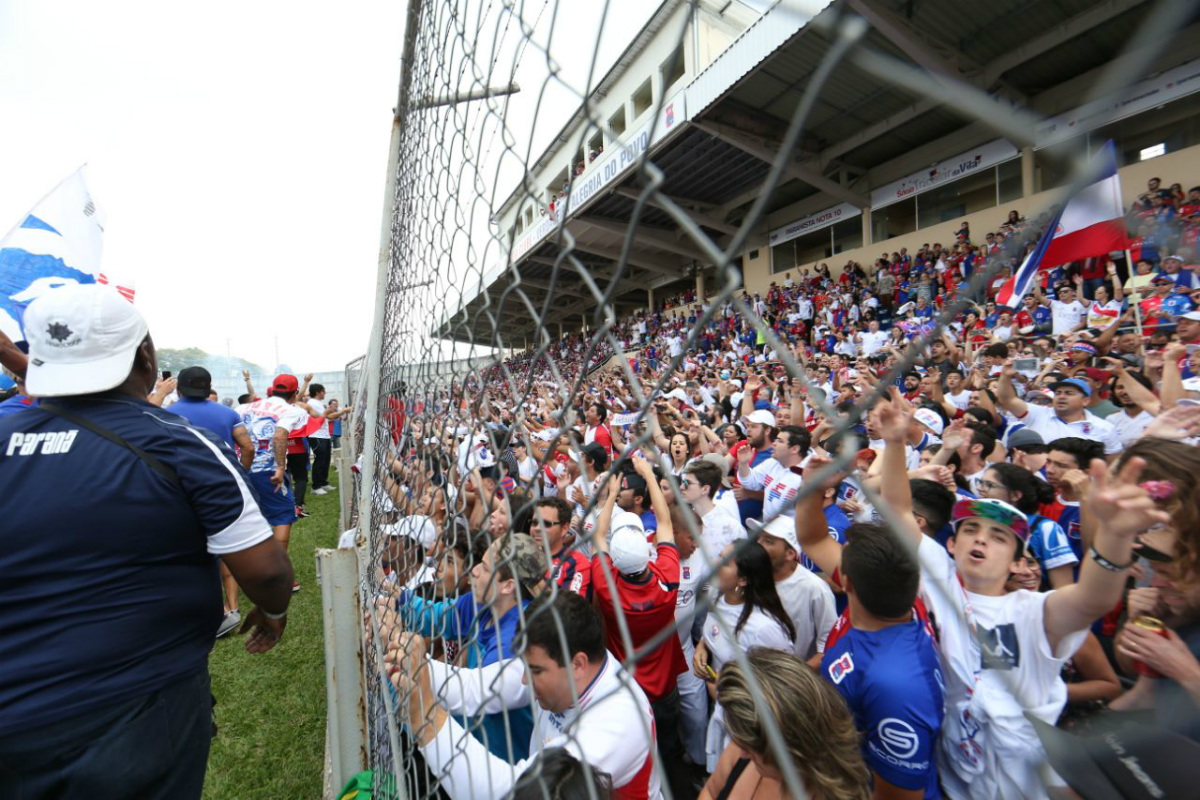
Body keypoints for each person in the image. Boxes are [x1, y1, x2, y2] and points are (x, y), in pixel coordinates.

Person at [0, 284, 294, 800]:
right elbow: (266, 569)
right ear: (145, 356)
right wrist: (272, 610)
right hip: (132, 705)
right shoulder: (173, 439)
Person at [873, 391, 1167, 799]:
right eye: (970, 531)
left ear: (1017, 561)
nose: (980, 540)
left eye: (997, 537)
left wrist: (1115, 537)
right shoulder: (940, 582)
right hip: (957, 770)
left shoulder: (1035, 610)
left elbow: (1094, 598)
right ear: (952, 547)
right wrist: (892, 444)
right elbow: (897, 510)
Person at [386, 592, 661, 799]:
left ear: (577, 663)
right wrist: (416, 666)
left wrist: (426, 716)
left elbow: (514, 791)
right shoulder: (557, 658)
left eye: (535, 670)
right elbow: (475, 687)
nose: (524, 680)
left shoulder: (618, 721)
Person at [394, 533, 544, 762]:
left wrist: (405, 656)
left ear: (507, 586)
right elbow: (436, 617)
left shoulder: (515, 640)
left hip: (495, 763)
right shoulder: (480, 603)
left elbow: (472, 699)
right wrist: (398, 600)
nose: (474, 571)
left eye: (484, 567)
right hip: (467, 742)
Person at [592, 457, 688, 798]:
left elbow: (599, 534)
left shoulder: (606, 587)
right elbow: (664, 522)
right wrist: (648, 474)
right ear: (647, 555)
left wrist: (609, 497)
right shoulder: (667, 580)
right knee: (670, 747)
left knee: (633, 753)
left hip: (627, 687)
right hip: (663, 688)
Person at [700, 648, 871, 800]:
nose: (742, 752)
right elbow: (710, 791)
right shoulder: (747, 746)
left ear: (792, 746)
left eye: (752, 746)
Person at [166, 365, 258, 637]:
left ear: (179, 388)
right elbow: (248, 448)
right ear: (209, 388)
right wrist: (241, 472)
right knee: (227, 548)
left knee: (197, 553)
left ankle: (213, 612)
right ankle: (233, 608)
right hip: (222, 487)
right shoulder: (228, 413)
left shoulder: (165, 414)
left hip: (182, 490)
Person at [693, 540, 795, 771]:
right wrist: (702, 648)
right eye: (719, 555)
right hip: (722, 709)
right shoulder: (720, 599)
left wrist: (730, 687)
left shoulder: (763, 628)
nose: (715, 563)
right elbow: (713, 632)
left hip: (751, 729)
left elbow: (783, 688)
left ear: (743, 580)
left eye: (726, 562)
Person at [240, 374, 309, 592]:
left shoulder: (247, 407)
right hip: (268, 472)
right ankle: (278, 577)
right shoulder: (291, 410)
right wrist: (280, 467)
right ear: (294, 393)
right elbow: (279, 437)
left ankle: (251, 571)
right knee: (282, 517)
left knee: (250, 520)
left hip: (242, 468)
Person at [756, 515, 837, 661]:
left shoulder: (814, 589)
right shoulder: (749, 575)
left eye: (768, 541)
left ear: (790, 554)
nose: (758, 544)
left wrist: (796, 677)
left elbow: (828, 644)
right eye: (759, 538)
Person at [533, 496, 590, 596]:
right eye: (534, 523)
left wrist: (532, 578)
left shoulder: (577, 562)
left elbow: (568, 608)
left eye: (546, 524)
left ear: (564, 528)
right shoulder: (526, 553)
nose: (537, 528)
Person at [306, 383, 335, 495]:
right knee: (319, 461)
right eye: (323, 391)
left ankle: (323, 483)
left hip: (324, 435)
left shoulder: (318, 403)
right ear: (318, 392)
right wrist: (327, 412)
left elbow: (326, 416)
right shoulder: (311, 403)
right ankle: (316, 486)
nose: (325, 393)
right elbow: (317, 417)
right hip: (316, 435)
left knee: (326, 460)